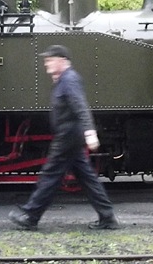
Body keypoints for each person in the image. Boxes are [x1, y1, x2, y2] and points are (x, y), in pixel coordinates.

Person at [8, 44, 120, 230]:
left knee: (50, 175)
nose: (46, 64)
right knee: (87, 177)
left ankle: (31, 216)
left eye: (50, 60)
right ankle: (107, 217)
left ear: (61, 60)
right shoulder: (64, 79)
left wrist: (90, 132)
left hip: (68, 135)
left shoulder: (69, 80)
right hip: (70, 135)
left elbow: (80, 106)